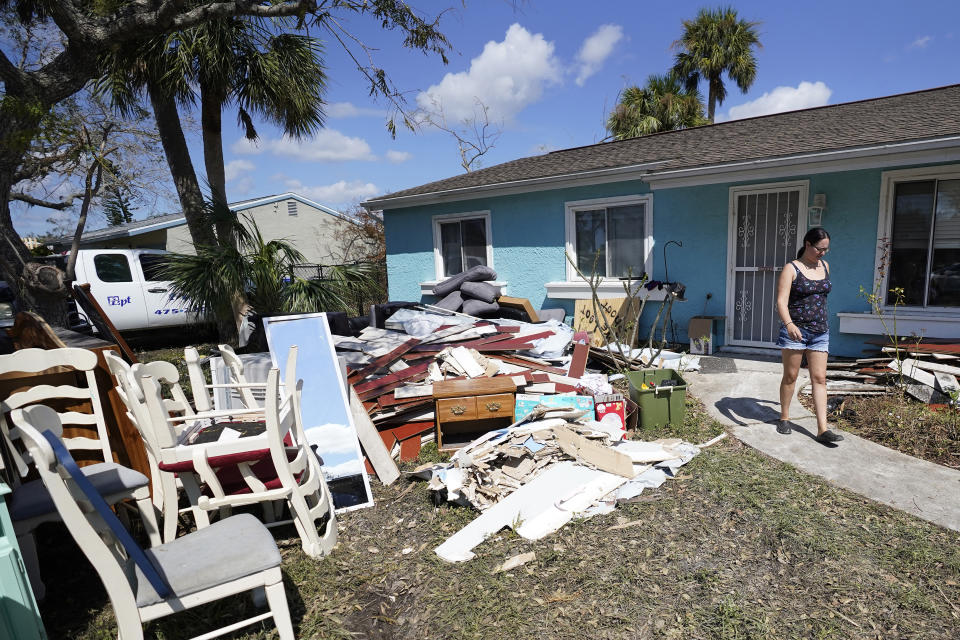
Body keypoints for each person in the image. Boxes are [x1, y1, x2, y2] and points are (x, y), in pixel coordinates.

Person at [774, 227, 843, 444]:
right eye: (819, 248)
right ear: (807, 244)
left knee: (819, 378)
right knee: (791, 376)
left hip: (820, 331)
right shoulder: (791, 268)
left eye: (826, 249)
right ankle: (784, 417)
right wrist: (789, 324)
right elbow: (781, 301)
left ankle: (823, 429)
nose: (823, 253)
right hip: (796, 331)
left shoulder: (825, 266)